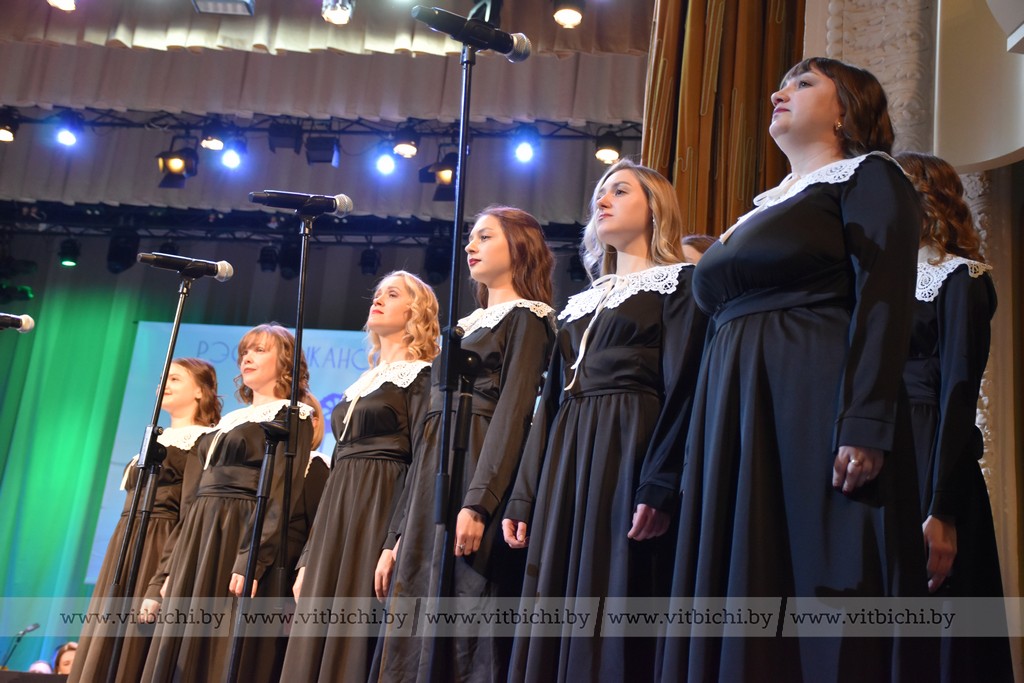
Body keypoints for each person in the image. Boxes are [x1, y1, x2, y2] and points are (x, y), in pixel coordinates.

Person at [661, 58, 932, 681]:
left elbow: (884, 295)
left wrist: (865, 420)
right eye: (781, 83)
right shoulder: (760, 210)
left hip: (809, 397)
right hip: (734, 408)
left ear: (846, 110)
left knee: (813, 573)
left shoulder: (868, 176)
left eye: (804, 83)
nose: (779, 93)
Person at [502, 159, 708, 681]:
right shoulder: (580, 303)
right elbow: (550, 404)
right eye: (600, 192)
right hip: (568, 451)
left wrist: (660, 481)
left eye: (619, 190)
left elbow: (684, 388)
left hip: (629, 442)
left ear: (655, 207)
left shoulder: (679, 284)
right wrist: (525, 494)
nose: (602, 199)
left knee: (615, 585)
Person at [372, 207, 556, 683]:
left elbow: (515, 414)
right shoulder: (461, 328)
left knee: (467, 623)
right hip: (431, 482)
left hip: (477, 471)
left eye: (485, 236)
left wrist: (479, 503)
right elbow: (426, 437)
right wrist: (395, 536)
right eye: (471, 238)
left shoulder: (528, 319)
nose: (471, 246)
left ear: (519, 246)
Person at [280, 271, 439, 683]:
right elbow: (336, 471)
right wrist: (308, 557)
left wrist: (395, 540)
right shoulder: (360, 384)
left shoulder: (422, 376)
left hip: (379, 510)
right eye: (377, 293)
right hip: (336, 515)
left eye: (393, 294)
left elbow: (424, 460)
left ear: (416, 311)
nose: (378, 299)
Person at [141, 324, 320, 683]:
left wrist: (251, 557)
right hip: (199, 534)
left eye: (260, 350)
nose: (247, 358)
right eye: (244, 351)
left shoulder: (292, 415)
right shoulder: (227, 421)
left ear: (286, 362)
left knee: (217, 647)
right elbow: (190, 502)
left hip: (237, 531)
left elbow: (280, 493)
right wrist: (168, 570)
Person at [895, 151, 1013, 682]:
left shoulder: (959, 277)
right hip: (885, 447)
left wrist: (941, 508)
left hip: (932, 449)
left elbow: (959, 392)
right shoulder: (875, 280)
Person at [69, 359, 220, 683]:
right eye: (163, 377)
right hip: (124, 546)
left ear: (200, 391)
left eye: (175, 378)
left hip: (157, 546)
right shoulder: (154, 439)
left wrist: (166, 574)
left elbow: (191, 512)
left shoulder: (201, 441)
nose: (164, 383)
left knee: (134, 644)